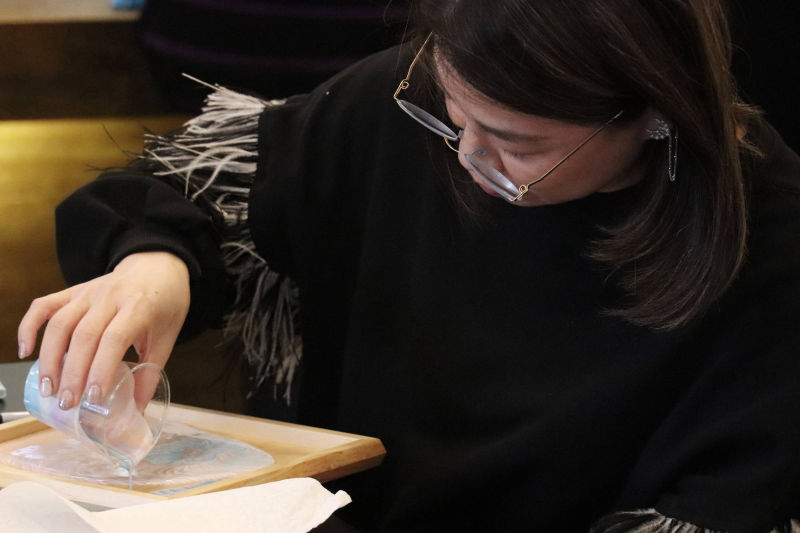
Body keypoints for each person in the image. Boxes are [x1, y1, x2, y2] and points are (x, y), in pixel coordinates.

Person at [16, 1, 800, 531]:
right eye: (451, 116)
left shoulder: (770, 235)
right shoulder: (399, 106)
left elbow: (729, 497)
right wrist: (153, 265)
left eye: (516, 144)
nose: (465, 155)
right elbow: (188, 188)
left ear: (657, 114)